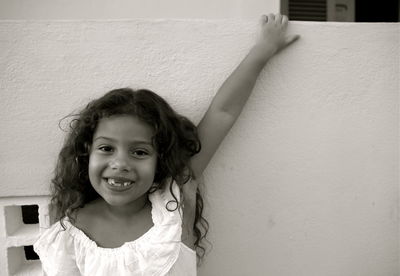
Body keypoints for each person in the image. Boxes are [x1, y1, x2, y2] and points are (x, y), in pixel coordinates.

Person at [33, 13, 299, 276]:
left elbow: (222, 113)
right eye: (106, 148)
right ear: (86, 151)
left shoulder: (172, 202)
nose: (120, 163)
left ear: (160, 158)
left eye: (139, 152)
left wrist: (263, 50)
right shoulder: (69, 232)